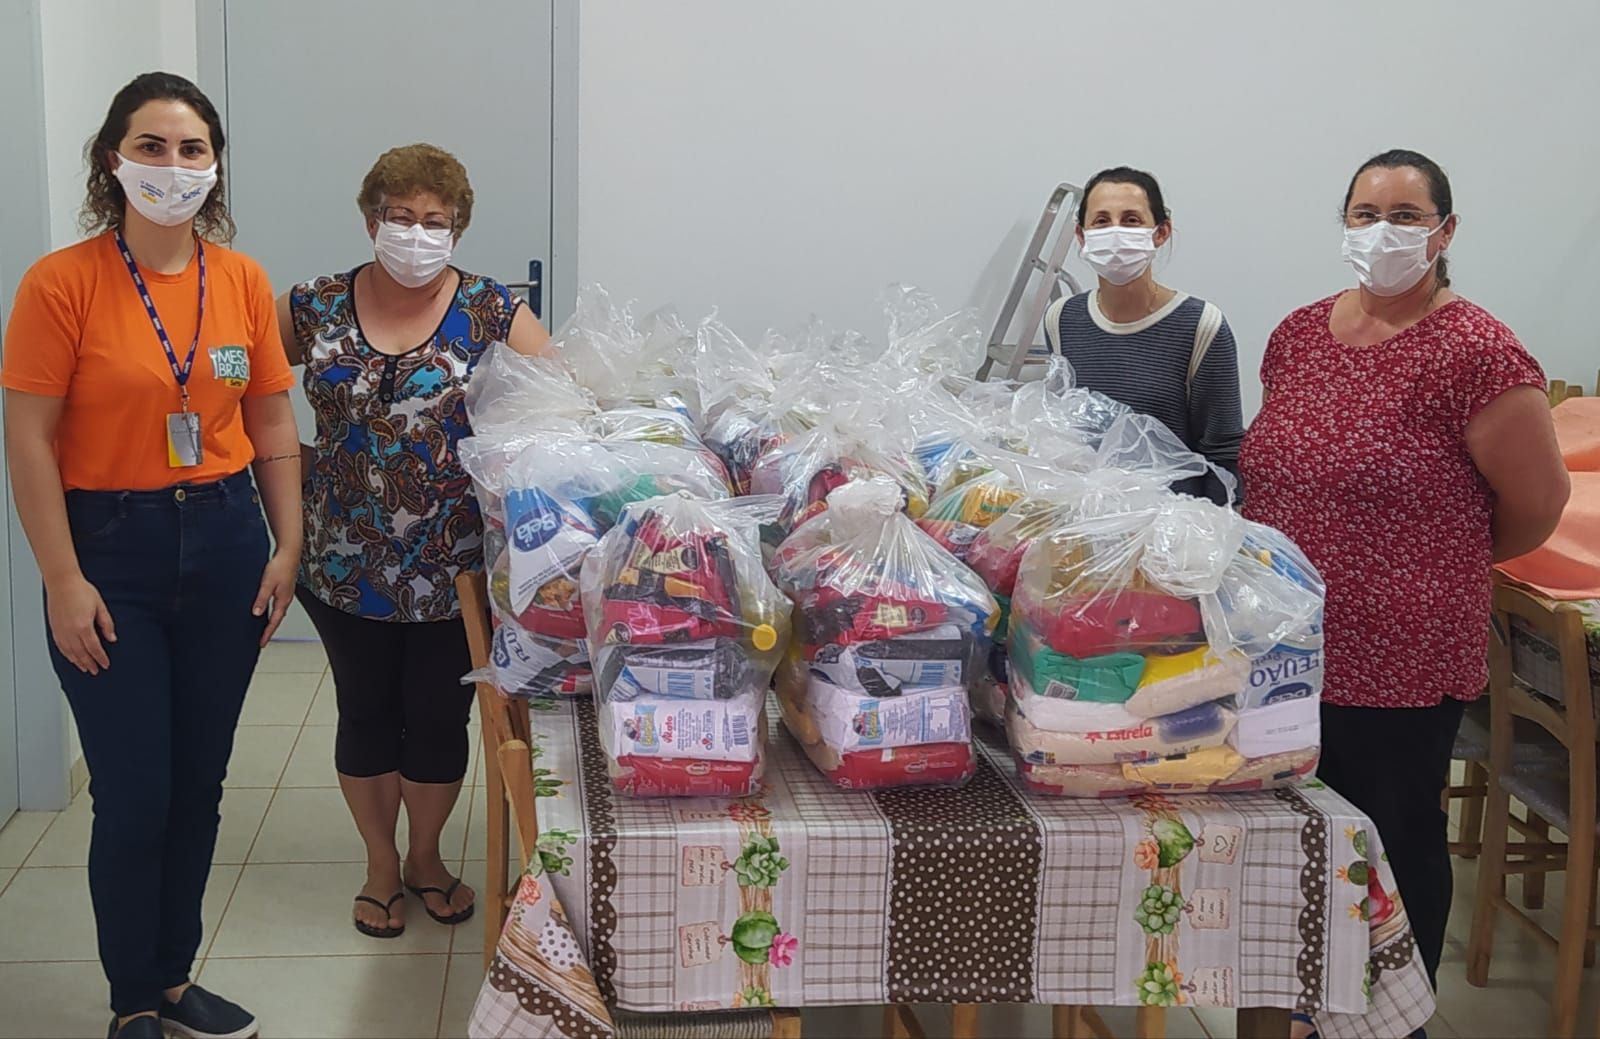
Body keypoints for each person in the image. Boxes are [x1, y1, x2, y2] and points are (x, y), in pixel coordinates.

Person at [1, 72, 301, 1039]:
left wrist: (288, 544)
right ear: (113, 159)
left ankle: (173, 978)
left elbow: (269, 419)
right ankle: (131, 996)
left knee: (199, 784)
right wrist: (61, 577)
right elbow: (28, 439)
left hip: (224, 539)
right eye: (152, 146)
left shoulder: (241, 279)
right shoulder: (62, 282)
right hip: (108, 549)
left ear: (215, 166)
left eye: (192, 149)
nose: (173, 166)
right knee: (135, 793)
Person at [1241, 149, 1569, 1003]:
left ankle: (1394, 1010)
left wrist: (1426, 559)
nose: (1381, 230)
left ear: (1445, 231)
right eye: (1364, 213)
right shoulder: (1300, 332)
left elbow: (1536, 505)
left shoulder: (1478, 352)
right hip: (1284, 646)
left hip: (1401, 657)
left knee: (1388, 842)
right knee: (1292, 841)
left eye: (1405, 215)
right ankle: (1302, 1004)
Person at [278, 143, 551, 940]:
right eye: (401, 216)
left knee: (437, 717)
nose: (417, 232)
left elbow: (557, 406)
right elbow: (237, 385)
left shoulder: (492, 309)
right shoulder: (315, 305)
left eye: (436, 220)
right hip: (342, 561)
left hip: (455, 565)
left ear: (457, 230)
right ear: (371, 221)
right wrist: (292, 459)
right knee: (365, 711)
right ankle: (380, 864)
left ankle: (426, 858)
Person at [1042, 166, 1244, 504]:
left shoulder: (1201, 325)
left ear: (1161, 232)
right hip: (1085, 517)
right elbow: (1064, 430)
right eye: (1101, 221)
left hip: (1170, 522)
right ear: (1081, 235)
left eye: (1131, 220)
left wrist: (1210, 525)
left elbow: (1223, 452)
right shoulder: (1061, 318)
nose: (1115, 232)